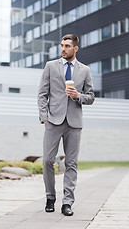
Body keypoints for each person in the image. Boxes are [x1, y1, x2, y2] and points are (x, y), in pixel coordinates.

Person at [38, 34, 95, 216]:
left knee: (71, 163)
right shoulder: (50, 66)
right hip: (53, 120)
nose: (63, 49)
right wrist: (44, 117)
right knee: (47, 160)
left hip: (74, 122)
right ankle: (50, 197)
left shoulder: (85, 70)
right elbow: (42, 94)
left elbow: (91, 97)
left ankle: (67, 202)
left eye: (67, 46)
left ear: (75, 48)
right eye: (62, 45)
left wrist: (78, 96)